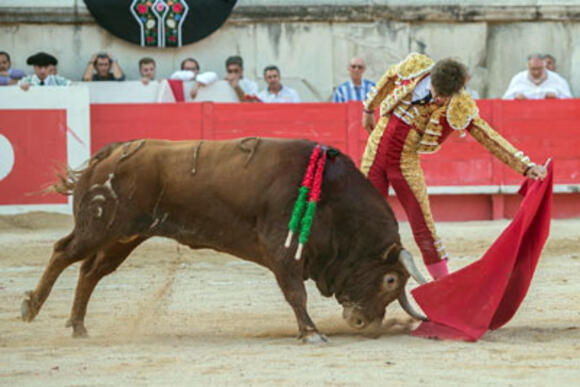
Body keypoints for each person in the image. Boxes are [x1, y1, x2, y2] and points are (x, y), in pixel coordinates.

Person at [361, 53, 547, 280]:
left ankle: (443, 283)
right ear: (431, 78)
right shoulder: (416, 66)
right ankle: (359, 281)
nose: (438, 100)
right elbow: (390, 76)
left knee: (423, 226)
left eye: (444, 97)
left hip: (405, 163)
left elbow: (487, 135)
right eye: (437, 93)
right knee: (365, 218)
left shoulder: (459, 104)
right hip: (374, 152)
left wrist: (526, 167)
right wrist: (369, 108)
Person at [503, 54, 571, 100]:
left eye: (539, 68)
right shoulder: (518, 79)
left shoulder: (558, 80)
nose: (536, 72)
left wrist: (557, 98)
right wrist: (516, 99)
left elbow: (570, 103)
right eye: (533, 69)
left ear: (544, 66)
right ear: (528, 67)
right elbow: (504, 102)